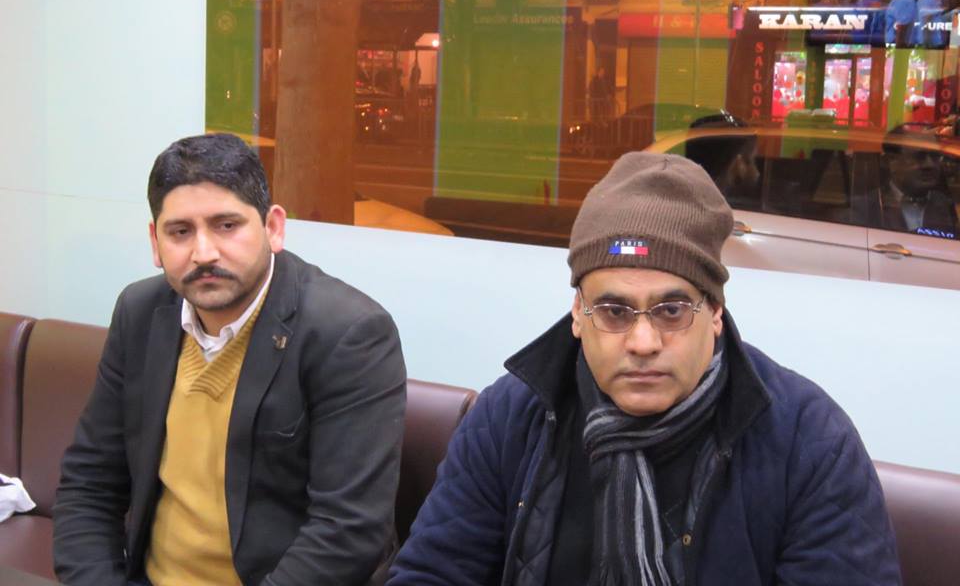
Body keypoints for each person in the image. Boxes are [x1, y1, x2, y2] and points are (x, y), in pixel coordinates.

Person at [388, 152, 901, 586]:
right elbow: (431, 573)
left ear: (715, 311)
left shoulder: (808, 440)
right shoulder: (512, 416)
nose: (643, 342)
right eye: (614, 311)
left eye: (671, 311)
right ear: (577, 314)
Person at [53, 133, 406, 586]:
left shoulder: (348, 333)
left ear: (273, 227)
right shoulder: (140, 313)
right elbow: (89, 484)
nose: (204, 253)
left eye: (226, 225)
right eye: (180, 232)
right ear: (155, 242)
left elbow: (347, 531)